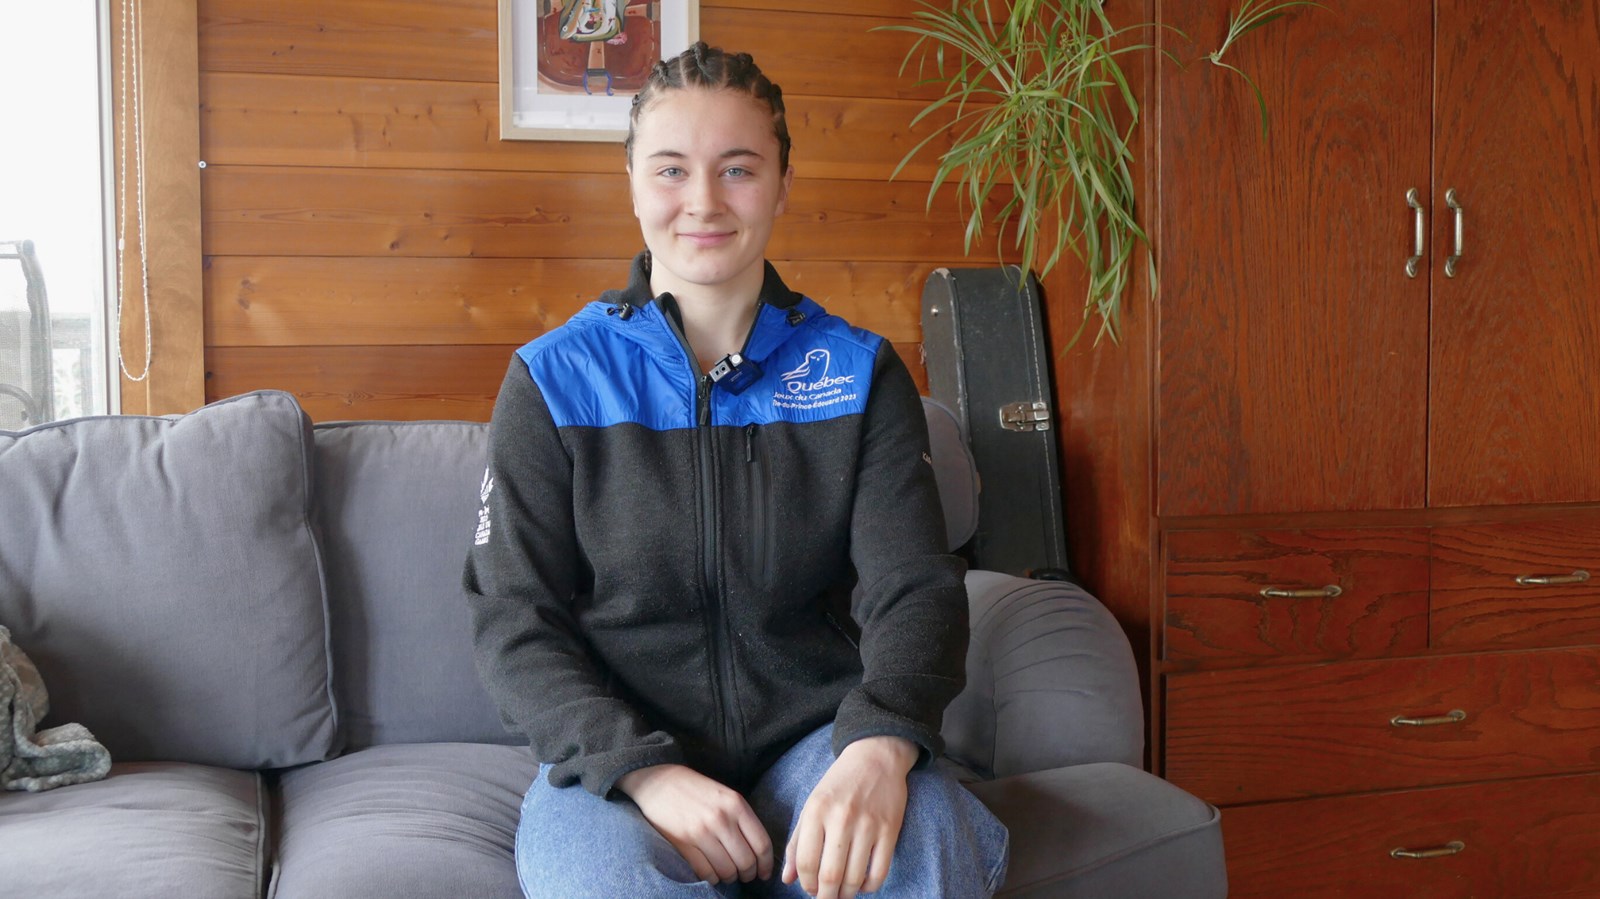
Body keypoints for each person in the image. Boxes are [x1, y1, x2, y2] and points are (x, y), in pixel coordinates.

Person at [464, 42, 1010, 899]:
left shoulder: (859, 374)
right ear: (633, 183)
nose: (704, 201)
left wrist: (881, 744)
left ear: (783, 183)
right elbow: (513, 617)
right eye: (671, 169)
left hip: (818, 742)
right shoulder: (551, 379)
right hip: (622, 765)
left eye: (739, 169)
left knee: (927, 831)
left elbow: (913, 588)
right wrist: (644, 771)